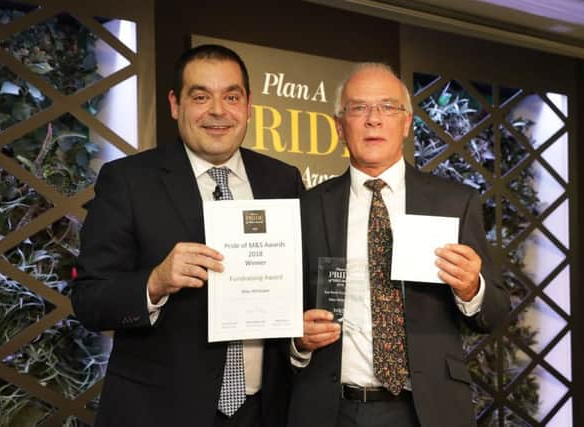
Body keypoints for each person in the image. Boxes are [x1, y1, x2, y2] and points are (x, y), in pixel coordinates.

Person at [71, 44, 304, 427]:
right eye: (201, 96)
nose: (218, 111)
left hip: (264, 411)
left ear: (248, 107)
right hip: (160, 411)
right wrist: (155, 282)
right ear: (175, 104)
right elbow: (89, 301)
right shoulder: (128, 181)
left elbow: (297, 285)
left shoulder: (283, 180)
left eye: (231, 96)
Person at [287, 63, 509, 427]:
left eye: (388, 107)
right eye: (358, 108)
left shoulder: (455, 203)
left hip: (428, 410)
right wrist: (297, 341)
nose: (374, 119)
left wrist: (472, 288)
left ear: (406, 123)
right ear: (340, 126)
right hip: (332, 409)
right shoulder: (308, 209)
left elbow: (496, 313)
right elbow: (281, 316)